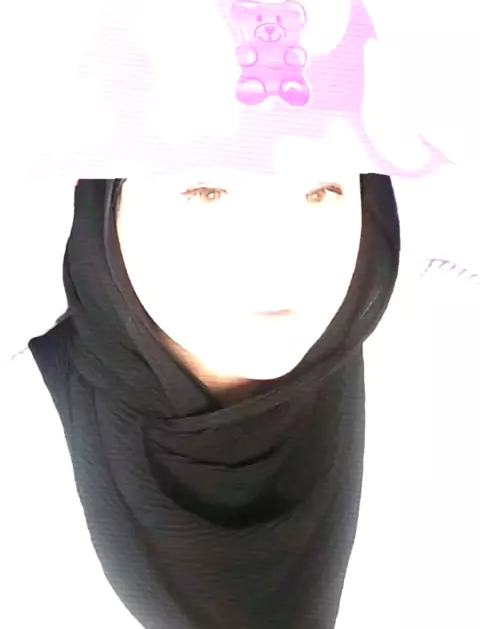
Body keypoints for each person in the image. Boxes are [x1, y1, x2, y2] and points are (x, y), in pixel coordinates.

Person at [1, 169, 478, 629]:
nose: (279, 252)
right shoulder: (17, 437)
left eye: (321, 190)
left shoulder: (453, 340)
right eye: (206, 192)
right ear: (105, 201)